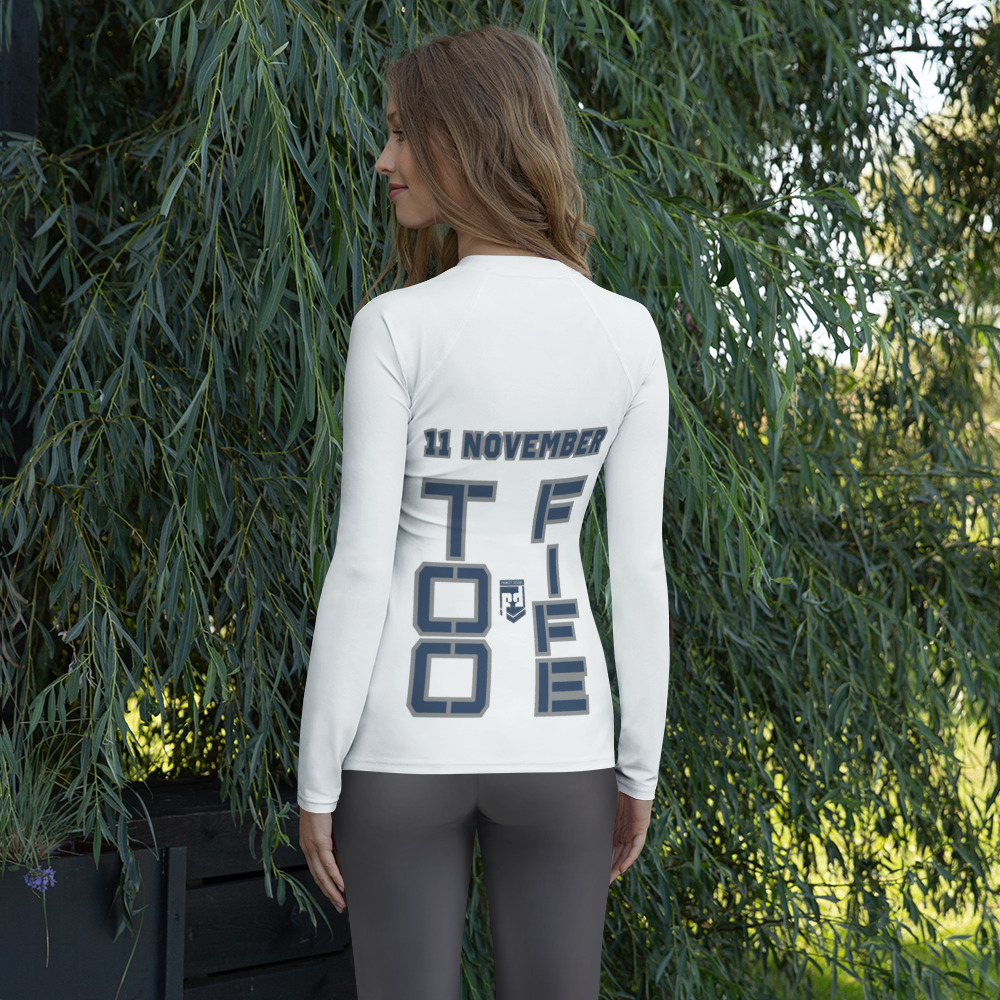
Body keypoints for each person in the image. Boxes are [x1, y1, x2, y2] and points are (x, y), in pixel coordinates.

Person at [296, 23, 670, 1000]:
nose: (384, 160)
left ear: (463, 139)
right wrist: (638, 769)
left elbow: (362, 566)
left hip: (402, 745)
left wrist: (316, 777)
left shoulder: (394, 328)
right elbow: (637, 573)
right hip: (562, 741)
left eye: (401, 134)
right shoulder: (627, 335)